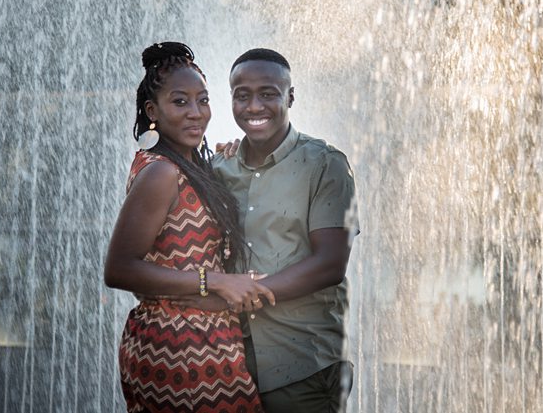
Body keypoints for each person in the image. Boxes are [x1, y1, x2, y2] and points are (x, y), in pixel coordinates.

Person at [104, 42, 275, 413]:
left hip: (208, 338)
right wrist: (214, 282)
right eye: (180, 102)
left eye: (203, 100)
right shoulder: (161, 172)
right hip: (176, 347)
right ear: (153, 111)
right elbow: (119, 268)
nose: (196, 113)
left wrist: (234, 160)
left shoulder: (187, 166)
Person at [214, 48, 357, 413]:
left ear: (290, 96)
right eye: (242, 95)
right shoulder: (221, 169)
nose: (254, 106)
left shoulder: (325, 165)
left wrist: (249, 291)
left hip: (304, 364)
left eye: (268, 93)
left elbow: (330, 264)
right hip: (231, 364)